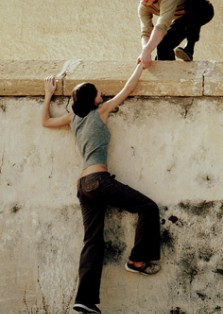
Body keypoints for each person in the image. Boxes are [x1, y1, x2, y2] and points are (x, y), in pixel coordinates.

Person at [42, 64, 161, 314]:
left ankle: (84, 301)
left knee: (92, 241)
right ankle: (137, 260)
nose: (102, 97)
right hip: (99, 180)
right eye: (98, 94)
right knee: (148, 207)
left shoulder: (72, 118)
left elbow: (46, 121)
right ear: (92, 100)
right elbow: (128, 88)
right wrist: (140, 65)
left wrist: (48, 95)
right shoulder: (100, 112)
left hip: (83, 186)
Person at [132, 0, 215, 68]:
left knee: (193, 2)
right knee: (163, 45)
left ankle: (189, 47)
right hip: (183, 19)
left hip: (203, 10)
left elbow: (162, 26)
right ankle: (167, 75)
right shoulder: (143, 7)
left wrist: (147, 51)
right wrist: (146, 52)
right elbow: (146, 32)